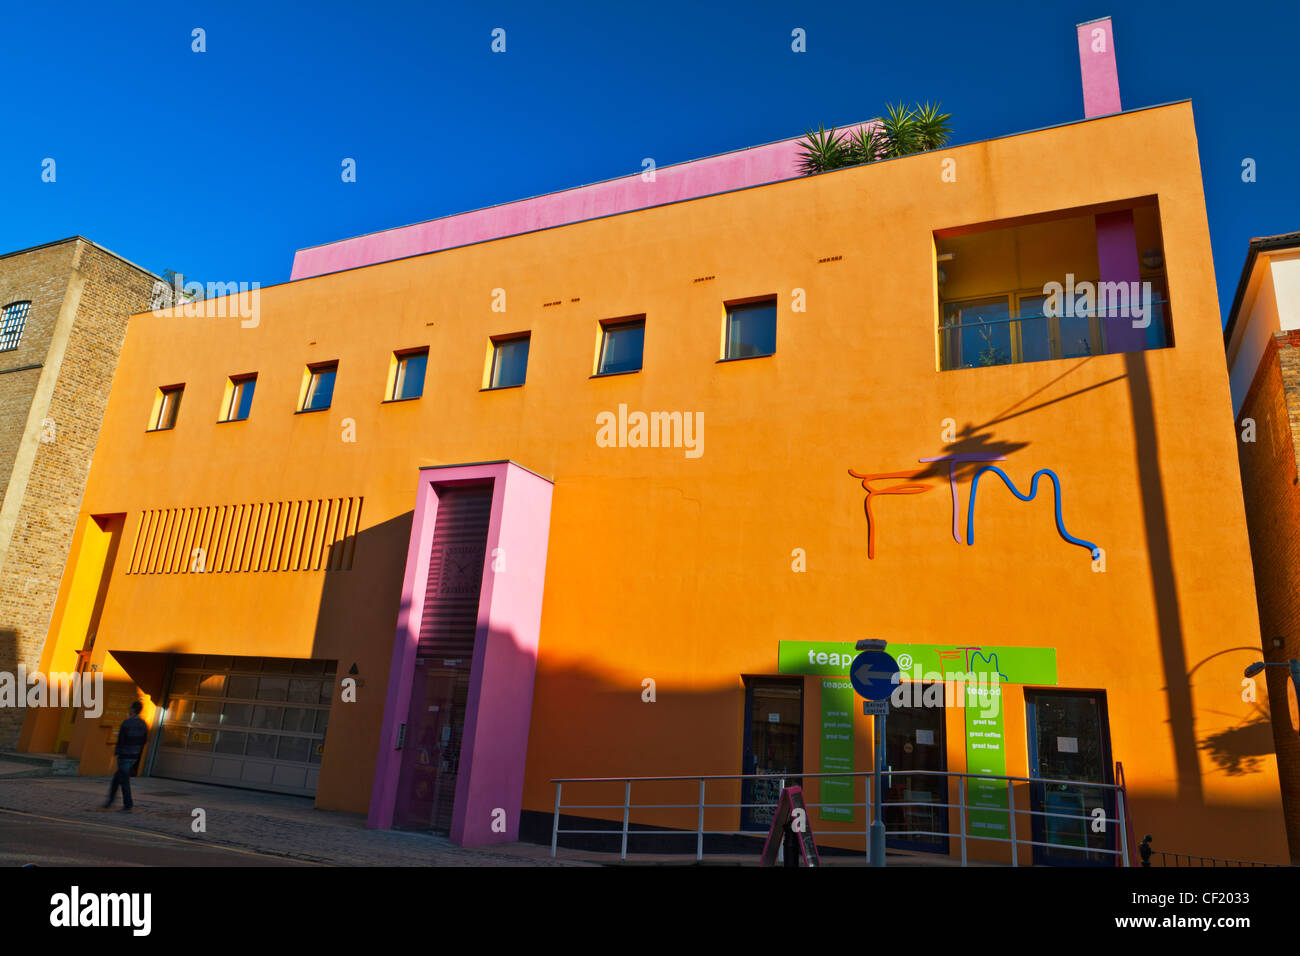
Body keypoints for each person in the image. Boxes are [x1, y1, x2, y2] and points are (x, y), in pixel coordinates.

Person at [104, 701, 148, 812]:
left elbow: (121, 740)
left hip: (124, 755)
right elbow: (144, 741)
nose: (128, 710)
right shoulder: (143, 724)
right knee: (117, 778)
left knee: (124, 780)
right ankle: (110, 801)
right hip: (134, 756)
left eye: (130, 708)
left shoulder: (126, 723)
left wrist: (117, 752)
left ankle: (128, 804)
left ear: (133, 709)